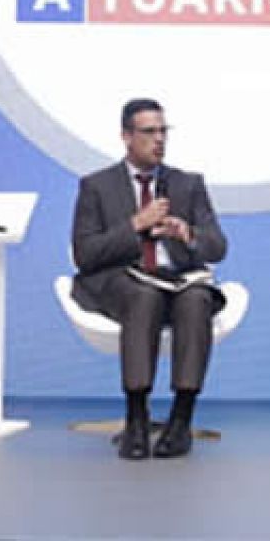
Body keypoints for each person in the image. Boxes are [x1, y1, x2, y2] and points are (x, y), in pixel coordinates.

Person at [71, 98, 228, 460]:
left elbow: (218, 247)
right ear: (126, 136)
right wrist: (135, 225)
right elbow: (86, 253)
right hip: (122, 282)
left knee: (197, 299)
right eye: (149, 132)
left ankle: (181, 419)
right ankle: (137, 418)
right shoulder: (97, 186)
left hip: (176, 280)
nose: (159, 140)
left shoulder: (187, 184)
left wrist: (188, 234)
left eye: (163, 131)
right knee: (144, 296)